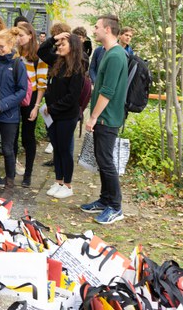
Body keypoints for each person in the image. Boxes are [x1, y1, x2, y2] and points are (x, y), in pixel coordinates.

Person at [80, 14, 128, 224]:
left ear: (108, 30)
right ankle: (105, 199)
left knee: (106, 162)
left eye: (97, 27)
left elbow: (107, 92)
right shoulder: (109, 53)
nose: (95, 29)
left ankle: (116, 207)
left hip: (107, 119)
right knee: (102, 159)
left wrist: (93, 117)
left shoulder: (116, 55)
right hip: (104, 119)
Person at [37, 32, 84, 199]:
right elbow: (41, 51)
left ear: (73, 47)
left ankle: (68, 184)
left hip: (66, 115)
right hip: (54, 115)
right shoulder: (57, 62)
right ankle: (58, 181)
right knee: (57, 149)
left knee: (64, 150)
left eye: (63, 44)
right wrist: (54, 38)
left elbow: (73, 97)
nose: (60, 47)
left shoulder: (77, 68)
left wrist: (53, 108)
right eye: (59, 44)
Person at [0, 28, 28, 198]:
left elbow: (22, 91)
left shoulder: (18, 65)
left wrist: (2, 105)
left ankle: (9, 184)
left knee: (8, 150)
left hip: (9, 116)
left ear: (11, 45)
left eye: (1, 47)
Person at [15, 23, 48, 187]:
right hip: (15, 96)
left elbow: (42, 84)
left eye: (22, 35)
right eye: (17, 35)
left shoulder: (38, 55)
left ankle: (28, 173)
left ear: (30, 35)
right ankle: (10, 171)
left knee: (27, 136)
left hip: (31, 96)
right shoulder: (15, 52)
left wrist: (36, 106)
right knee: (12, 135)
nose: (19, 39)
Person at [39, 22, 71, 165]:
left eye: (61, 41)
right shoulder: (55, 56)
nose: (59, 44)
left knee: (65, 141)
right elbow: (41, 51)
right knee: (54, 135)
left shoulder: (74, 59)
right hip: (51, 103)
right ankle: (56, 162)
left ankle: (64, 166)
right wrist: (52, 40)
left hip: (65, 106)